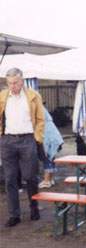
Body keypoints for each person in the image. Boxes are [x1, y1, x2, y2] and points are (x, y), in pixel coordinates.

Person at [0, 68, 45, 227]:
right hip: (7, 141)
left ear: (22, 81)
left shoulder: (33, 96)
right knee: (10, 179)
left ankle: (34, 208)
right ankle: (14, 215)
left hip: (28, 140)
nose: (13, 86)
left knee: (30, 177)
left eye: (16, 82)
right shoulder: (2, 96)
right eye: (10, 83)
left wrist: (37, 137)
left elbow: (41, 119)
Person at [38, 109, 64, 188]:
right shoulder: (48, 118)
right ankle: (50, 179)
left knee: (47, 158)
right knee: (51, 158)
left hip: (48, 137)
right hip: (55, 137)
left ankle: (46, 181)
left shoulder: (43, 119)